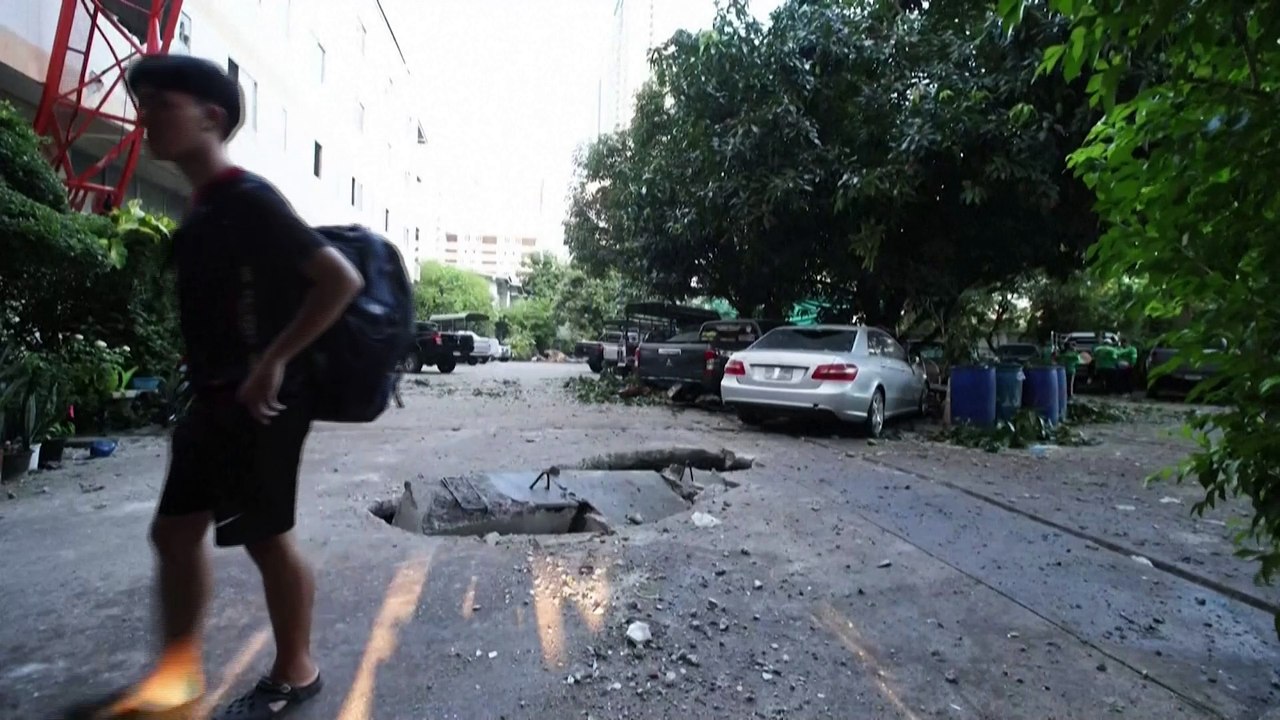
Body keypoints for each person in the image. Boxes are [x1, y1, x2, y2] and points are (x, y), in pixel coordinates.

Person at [85, 55, 364, 720]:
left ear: (211, 117)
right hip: (211, 401)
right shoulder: (203, 207)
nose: (145, 116)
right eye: (143, 103)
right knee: (174, 534)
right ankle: (178, 678)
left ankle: (298, 671)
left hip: (261, 404)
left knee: (266, 539)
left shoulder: (249, 199)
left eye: (161, 103)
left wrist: (273, 360)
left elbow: (340, 279)